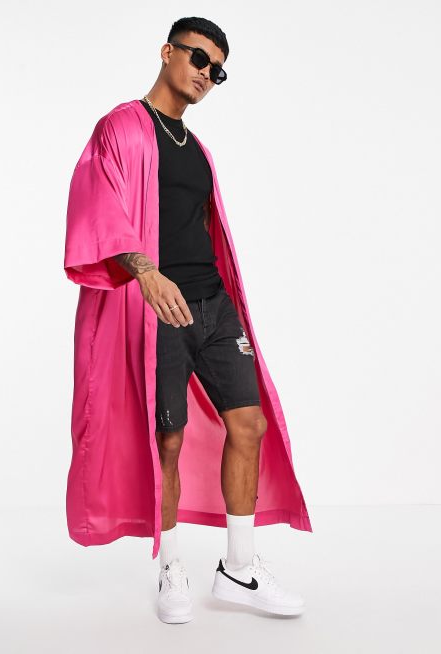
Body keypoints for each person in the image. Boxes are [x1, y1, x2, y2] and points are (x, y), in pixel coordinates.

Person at [64, 16, 311, 624]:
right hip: (160, 310)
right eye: (199, 59)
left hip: (213, 305)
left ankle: (240, 569)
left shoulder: (197, 149)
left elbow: (201, 225)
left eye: (218, 71)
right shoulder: (122, 126)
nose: (206, 75)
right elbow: (99, 203)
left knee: (249, 424)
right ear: (167, 51)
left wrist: (218, 293)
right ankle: (171, 567)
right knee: (168, 441)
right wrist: (146, 273)